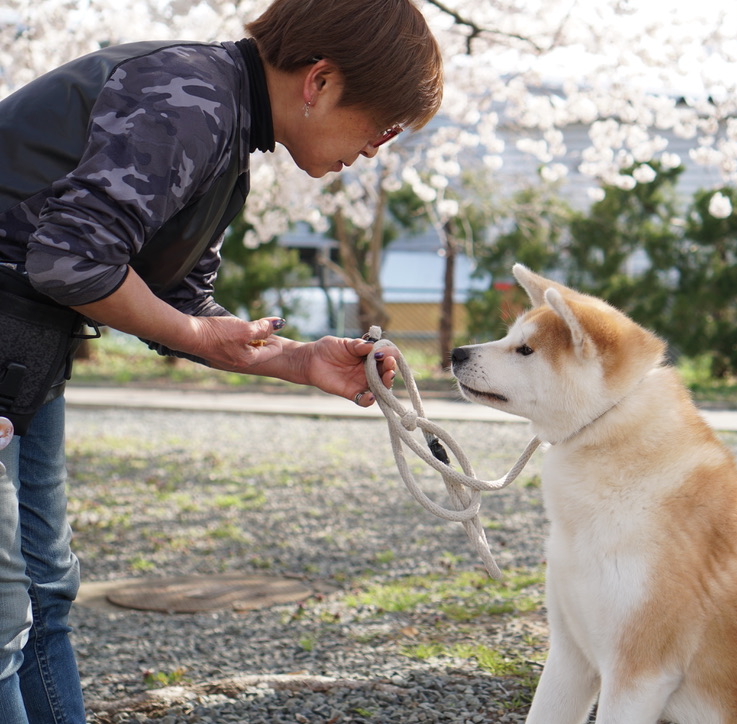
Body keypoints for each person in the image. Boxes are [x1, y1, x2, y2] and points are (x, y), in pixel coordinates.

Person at [0, 0, 443, 720]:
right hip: (14, 337)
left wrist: (300, 361)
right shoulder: (190, 99)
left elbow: (179, 304)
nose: (376, 149)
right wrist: (196, 332)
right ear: (321, 81)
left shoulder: (224, 123)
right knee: (3, 603)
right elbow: (73, 259)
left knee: (46, 589)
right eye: (383, 126)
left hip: (25, 356)